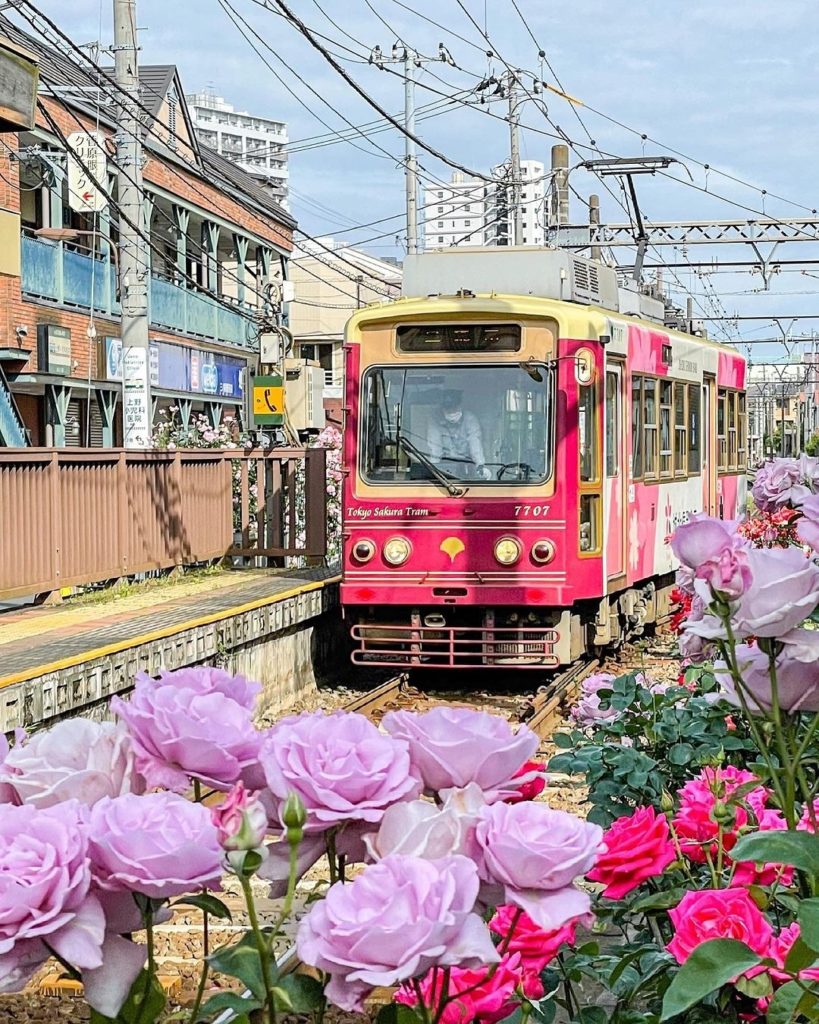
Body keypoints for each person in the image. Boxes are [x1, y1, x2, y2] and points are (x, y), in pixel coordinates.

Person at [426, 389, 491, 479]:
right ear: (443, 409)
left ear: (460, 406)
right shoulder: (435, 419)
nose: (452, 412)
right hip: (446, 464)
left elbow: (475, 443)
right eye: (448, 410)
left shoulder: (470, 419)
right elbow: (434, 446)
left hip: (468, 463)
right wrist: (434, 470)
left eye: (454, 409)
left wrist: (480, 465)